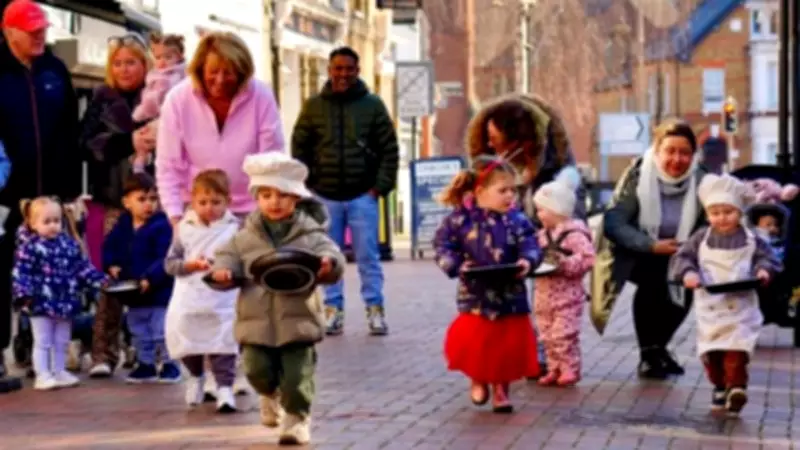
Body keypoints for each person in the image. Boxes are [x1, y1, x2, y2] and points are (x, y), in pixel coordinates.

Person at [210, 152, 345, 445]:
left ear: (296, 198)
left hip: (298, 321)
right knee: (255, 370)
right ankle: (269, 394)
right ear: (257, 198)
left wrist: (329, 263)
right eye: (266, 195)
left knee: (297, 377)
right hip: (255, 322)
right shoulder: (244, 236)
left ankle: (297, 419)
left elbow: (332, 253)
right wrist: (222, 272)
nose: (275, 202)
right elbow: (226, 257)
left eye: (283, 195)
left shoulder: (309, 233)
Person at [465, 94, 584, 377]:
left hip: (545, 242)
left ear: (521, 142)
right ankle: (515, 350)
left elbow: (570, 216)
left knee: (547, 302)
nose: (490, 144)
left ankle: (547, 354)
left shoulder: (557, 169)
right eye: (488, 138)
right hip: (510, 239)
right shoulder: (494, 167)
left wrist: (553, 247)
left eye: (496, 139)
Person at [0, 0, 83, 380]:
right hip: (8, 195)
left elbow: (70, 133)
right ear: (9, 32)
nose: (39, 36)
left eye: (42, 29)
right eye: (31, 30)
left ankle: (39, 353)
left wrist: (72, 192)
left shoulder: (55, 69)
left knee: (51, 275)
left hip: (50, 197)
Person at [291, 46, 398, 337]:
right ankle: (332, 310)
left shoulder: (372, 105)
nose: (343, 74)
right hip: (324, 196)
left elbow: (389, 149)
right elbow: (299, 148)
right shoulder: (313, 106)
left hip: (363, 195)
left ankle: (375, 310)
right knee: (327, 259)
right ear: (329, 70)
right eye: (338, 68)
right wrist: (307, 186)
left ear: (358, 71)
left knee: (368, 258)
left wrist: (378, 188)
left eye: (349, 69)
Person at [591, 120, 707, 379]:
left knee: (685, 291)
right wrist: (651, 245)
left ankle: (659, 348)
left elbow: (709, 219)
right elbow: (615, 221)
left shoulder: (701, 179)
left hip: (683, 251)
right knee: (654, 284)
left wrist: (691, 244)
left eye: (685, 152)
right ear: (657, 150)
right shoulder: (637, 176)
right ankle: (648, 355)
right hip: (641, 249)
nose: (677, 159)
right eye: (670, 151)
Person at [433, 155, 542, 413]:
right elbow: (442, 246)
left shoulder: (517, 220)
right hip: (475, 294)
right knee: (479, 343)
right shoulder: (459, 220)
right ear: (480, 192)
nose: (510, 196)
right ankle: (478, 377)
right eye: (502, 191)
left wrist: (527, 261)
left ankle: (502, 389)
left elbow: (531, 243)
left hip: (510, 293)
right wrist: (457, 265)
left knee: (507, 346)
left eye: (513, 190)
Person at [669, 173, 781, 415]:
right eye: (715, 213)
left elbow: (768, 258)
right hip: (711, 306)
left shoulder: (752, 239)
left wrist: (763, 270)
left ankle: (736, 387)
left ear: (739, 212)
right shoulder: (701, 238)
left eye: (728, 212)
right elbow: (683, 257)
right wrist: (689, 273)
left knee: (737, 348)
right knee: (712, 353)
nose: (722, 218)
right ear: (707, 215)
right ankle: (719, 385)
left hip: (741, 304)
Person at [79, 32, 151, 378]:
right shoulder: (101, 99)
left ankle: (147, 348)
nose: (124, 69)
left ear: (144, 64)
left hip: (151, 200)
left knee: (149, 275)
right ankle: (103, 353)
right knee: (110, 276)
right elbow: (86, 144)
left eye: (131, 62)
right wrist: (127, 142)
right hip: (111, 199)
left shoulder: (158, 97)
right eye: (118, 63)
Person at [156, 31, 285, 224]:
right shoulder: (177, 99)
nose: (220, 80)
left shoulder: (261, 96)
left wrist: (268, 211)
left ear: (242, 72)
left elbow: (272, 160)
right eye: (213, 72)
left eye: (228, 73)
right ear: (201, 69)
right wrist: (175, 217)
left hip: (250, 211)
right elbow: (168, 166)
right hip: (198, 209)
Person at [11, 197, 107, 390]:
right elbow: (21, 273)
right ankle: (42, 374)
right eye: (46, 221)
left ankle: (59, 370)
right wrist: (24, 295)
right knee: (43, 340)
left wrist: (99, 279)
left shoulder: (68, 245)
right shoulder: (29, 247)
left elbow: (81, 267)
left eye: (57, 220)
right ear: (33, 223)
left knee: (62, 339)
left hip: (65, 301)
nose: (53, 226)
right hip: (40, 303)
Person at [164, 170, 240, 413]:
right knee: (188, 338)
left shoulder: (235, 230)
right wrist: (189, 266)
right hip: (190, 296)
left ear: (228, 201)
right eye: (203, 202)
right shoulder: (184, 229)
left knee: (223, 342)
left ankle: (225, 388)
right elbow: (170, 264)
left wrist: (230, 271)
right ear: (192, 201)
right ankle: (195, 377)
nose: (209, 208)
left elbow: (243, 262)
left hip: (222, 297)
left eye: (216, 202)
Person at [103, 173, 178, 384]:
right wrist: (111, 265)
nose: (148, 205)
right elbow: (109, 246)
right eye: (141, 199)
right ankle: (146, 364)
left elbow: (165, 257)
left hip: (159, 291)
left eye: (153, 199)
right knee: (138, 329)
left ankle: (169, 364)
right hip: (133, 291)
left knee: (161, 329)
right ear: (127, 202)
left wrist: (150, 278)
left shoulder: (161, 226)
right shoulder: (123, 225)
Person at [532, 171, 595, 387]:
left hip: (567, 297)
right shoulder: (542, 236)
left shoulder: (575, 234)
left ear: (557, 210)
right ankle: (554, 368)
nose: (539, 214)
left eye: (542, 209)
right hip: (543, 296)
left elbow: (588, 259)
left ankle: (569, 367)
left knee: (564, 334)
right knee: (546, 335)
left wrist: (565, 263)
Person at [131, 33, 186, 173]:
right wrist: (141, 111)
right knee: (139, 136)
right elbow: (147, 95)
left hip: (171, 117)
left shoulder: (180, 76)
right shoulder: (154, 75)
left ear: (179, 56)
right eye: (158, 57)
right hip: (156, 115)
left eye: (168, 57)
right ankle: (142, 158)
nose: (162, 62)